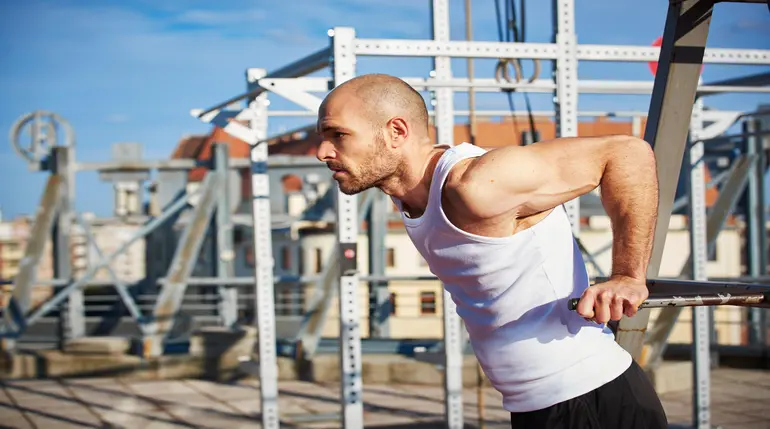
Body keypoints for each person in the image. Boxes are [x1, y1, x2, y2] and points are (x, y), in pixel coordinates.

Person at [315, 73, 668, 428]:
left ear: (396, 132)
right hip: (538, 406)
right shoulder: (408, 196)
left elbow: (626, 152)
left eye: (338, 135)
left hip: (591, 400)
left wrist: (627, 275)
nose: (323, 152)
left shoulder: (477, 184)